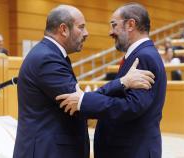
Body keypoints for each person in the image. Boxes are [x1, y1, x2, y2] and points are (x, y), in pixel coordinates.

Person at [13, 4, 155, 158]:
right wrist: (122, 82)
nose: (86, 33)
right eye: (81, 27)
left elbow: (81, 100)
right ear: (63, 29)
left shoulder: (50, 54)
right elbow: (78, 102)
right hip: (47, 151)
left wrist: (86, 99)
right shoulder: (47, 58)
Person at [56, 3, 167, 158]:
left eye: (114, 25)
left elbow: (132, 107)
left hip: (133, 151)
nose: (110, 32)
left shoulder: (144, 57)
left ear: (131, 24)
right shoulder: (139, 54)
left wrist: (85, 102)